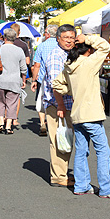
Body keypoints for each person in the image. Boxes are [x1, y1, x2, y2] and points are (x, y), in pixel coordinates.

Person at [52, 34, 110, 199]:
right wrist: (87, 37)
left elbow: (56, 84)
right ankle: (107, 188)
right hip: (91, 113)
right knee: (102, 150)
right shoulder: (89, 63)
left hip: (77, 114)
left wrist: (71, 90)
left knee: (81, 150)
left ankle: (82, 185)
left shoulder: (69, 66)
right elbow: (105, 46)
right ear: (89, 50)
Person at [43, 24, 77, 187]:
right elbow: (55, 83)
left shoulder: (69, 54)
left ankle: (62, 173)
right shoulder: (56, 55)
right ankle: (58, 176)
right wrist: (61, 106)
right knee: (58, 140)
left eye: (72, 37)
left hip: (67, 104)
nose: (69, 41)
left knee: (65, 139)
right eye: (66, 38)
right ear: (58, 39)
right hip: (58, 105)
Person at [0, 28, 27, 134]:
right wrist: (23, 80)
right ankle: (8, 125)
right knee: (12, 103)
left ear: (4, 37)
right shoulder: (19, 50)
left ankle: (0, 123)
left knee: (0, 102)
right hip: (14, 81)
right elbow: (23, 68)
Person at [31, 24, 58, 136]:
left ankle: (42, 123)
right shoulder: (60, 46)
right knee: (57, 101)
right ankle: (55, 124)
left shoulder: (42, 46)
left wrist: (33, 80)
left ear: (47, 34)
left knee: (41, 101)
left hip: (43, 79)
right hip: (58, 78)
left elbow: (37, 65)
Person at [10, 23, 31, 125]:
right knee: (16, 96)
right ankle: (14, 119)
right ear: (19, 32)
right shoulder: (23, 45)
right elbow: (27, 61)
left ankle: (6, 117)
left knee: (6, 96)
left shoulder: (6, 44)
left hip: (6, 72)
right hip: (18, 73)